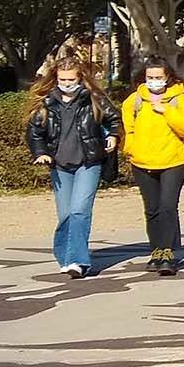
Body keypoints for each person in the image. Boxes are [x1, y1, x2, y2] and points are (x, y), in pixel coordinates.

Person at [25, 53, 122, 278]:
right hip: (59, 165)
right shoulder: (46, 103)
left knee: (80, 211)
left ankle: (79, 261)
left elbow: (114, 119)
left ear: (80, 78)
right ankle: (65, 257)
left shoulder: (94, 98)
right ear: (56, 79)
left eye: (71, 80)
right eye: (63, 80)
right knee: (66, 214)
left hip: (89, 162)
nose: (67, 84)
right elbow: (35, 133)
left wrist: (114, 135)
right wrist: (41, 153)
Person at [122, 58, 184, 276]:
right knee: (152, 209)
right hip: (142, 161)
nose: (154, 81)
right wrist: (131, 150)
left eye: (158, 77)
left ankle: (168, 253)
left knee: (167, 206)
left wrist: (166, 111)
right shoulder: (134, 101)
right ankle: (156, 250)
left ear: (168, 77)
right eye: (150, 77)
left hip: (174, 161)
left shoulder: (179, 99)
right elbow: (129, 130)